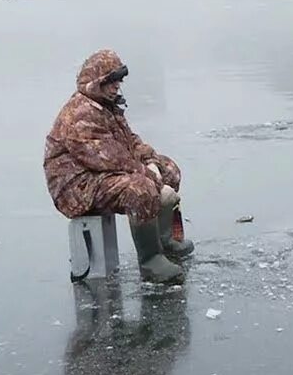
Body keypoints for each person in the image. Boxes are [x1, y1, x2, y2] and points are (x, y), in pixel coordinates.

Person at [44, 49, 193, 284]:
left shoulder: (107, 106)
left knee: (169, 170)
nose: (116, 86)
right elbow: (108, 158)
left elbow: (130, 143)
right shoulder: (80, 113)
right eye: (111, 81)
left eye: (118, 81)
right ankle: (151, 260)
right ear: (96, 82)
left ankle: (164, 241)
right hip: (77, 186)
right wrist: (150, 176)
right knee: (140, 188)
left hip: (100, 175)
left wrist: (152, 162)